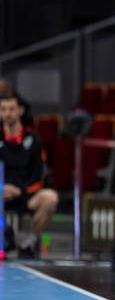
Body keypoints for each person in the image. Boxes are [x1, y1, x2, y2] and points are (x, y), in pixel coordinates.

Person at [0, 94, 58, 259]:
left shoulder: (33, 140)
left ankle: (28, 243)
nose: (8, 113)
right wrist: (2, 188)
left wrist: (21, 190)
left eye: (11, 109)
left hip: (26, 193)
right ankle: (6, 237)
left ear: (20, 111)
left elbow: (40, 175)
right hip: (1, 193)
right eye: (3, 109)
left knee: (50, 198)